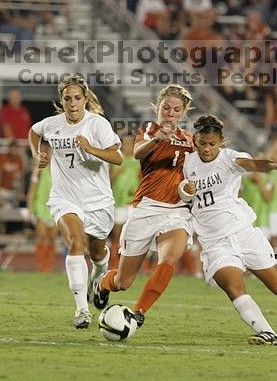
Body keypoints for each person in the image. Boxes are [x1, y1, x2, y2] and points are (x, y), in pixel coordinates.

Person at [180, 115, 277, 345]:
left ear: (221, 142)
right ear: (195, 140)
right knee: (234, 287)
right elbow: (183, 195)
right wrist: (185, 190)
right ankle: (268, 332)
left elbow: (253, 164)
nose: (207, 149)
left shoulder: (229, 158)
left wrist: (270, 164)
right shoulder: (188, 163)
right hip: (215, 243)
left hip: (243, 233)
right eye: (203, 143)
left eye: (212, 144)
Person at [91, 84, 195, 328]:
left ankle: (137, 313)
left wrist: (192, 188)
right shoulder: (149, 129)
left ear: (184, 112)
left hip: (177, 211)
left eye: (176, 109)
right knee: (123, 281)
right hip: (146, 209)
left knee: (168, 261)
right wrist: (157, 139)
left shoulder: (191, 140)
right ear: (158, 107)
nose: (170, 113)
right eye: (166, 108)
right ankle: (103, 283)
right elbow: (137, 153)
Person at [28, 75, 122, 329]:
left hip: (98, 201)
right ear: (62, 101)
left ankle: (100, 275)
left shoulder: (97, 125)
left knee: (98, 252)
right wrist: (38, 153)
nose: (72, 103)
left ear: (85, 99)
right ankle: (82, 310)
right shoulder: (52, 124)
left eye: (77, 98)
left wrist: (91, 149)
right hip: (65, 198)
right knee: (74, 242)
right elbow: (34, 131)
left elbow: (118, 157)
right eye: (67, 98)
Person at [109, 136, 141, 269]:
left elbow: (144, 180)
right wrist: (117, 173)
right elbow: (107, 180)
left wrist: (136, 190)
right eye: (125, 143)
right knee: (117, 234)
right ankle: (114, 263)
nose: (127, 146)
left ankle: (131, 265)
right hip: (118, 201)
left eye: (130, 143)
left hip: (133, 203)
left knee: (133, 235)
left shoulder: (139, 161)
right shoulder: (117, 160)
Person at [27, 145, 58, 272]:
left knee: (52, 239)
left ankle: (49, 265)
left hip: (55, 209)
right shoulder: (39, 169)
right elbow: (32, 190)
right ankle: (41, 265)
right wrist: (30, 208)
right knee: (42, 237)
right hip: (41, 206)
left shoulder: (61, 172)